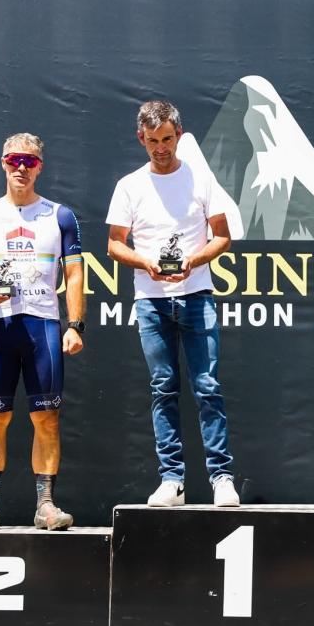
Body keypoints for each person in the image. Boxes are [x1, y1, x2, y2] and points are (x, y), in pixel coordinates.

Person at [106, 100, 238, 508]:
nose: (161, 148)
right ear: (140, 138)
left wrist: (193, 261)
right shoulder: (129, 185)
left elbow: (222, 236)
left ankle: (221, 478)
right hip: (151, 300)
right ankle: (172, 480)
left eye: (167, 139)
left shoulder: (201, 179)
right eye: (153, 141)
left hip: (197, 295)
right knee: (163, 389)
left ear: (179, 135)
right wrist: (145, 262)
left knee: (208, 387)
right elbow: (114, 244)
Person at [0, 133, 85, 532]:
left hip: (42, 324)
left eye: (30, 162)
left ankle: (46, 505)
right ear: (3, 162)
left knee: (46, 418)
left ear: (40, 167)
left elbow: (74, 272)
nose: (21, 168)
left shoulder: (59, 215)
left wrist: (75, 325)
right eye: (15, 160)